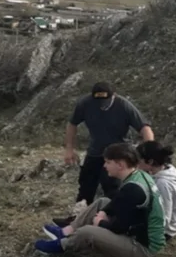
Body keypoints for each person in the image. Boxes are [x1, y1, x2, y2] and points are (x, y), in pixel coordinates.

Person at [35, 143, 165, 257]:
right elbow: (118, 202)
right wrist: (104, 211)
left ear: (120, 165)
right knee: (102, 202)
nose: (104, 166)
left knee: (87, 232)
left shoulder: (133, 189)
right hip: (138, 232)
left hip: (142, 247)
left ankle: (62, 245)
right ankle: (66, 231)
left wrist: (101, 223)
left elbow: (120, 228)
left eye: (108, 162)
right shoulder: (139, 176)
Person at [60, 82, 154, 222]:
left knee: (112, 187)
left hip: (118, 154)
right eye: (98, 102)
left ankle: (108, 219)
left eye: (105, 101)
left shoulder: (124, 106)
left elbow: (145, 129)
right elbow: (72, 124)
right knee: (86, 185)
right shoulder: (85, 103)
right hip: (95, 151)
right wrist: (69, 149)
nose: (102, 105)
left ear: (113, 96)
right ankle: (77, 218)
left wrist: (147, 153)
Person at [137, 141, 176, 241]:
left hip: (164, 231)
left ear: (150, 162)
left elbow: (164, 214)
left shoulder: (163, 184)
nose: (136, 162)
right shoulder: (164, 171)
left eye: (139, 160)